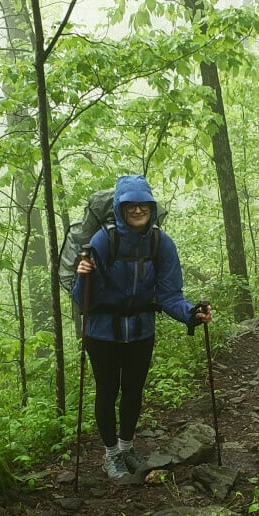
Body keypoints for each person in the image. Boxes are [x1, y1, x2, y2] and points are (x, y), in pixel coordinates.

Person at [72, 174, 212, 481]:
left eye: (143, 204)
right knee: (107, 392)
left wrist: (190, 313)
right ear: (121, 208)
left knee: (133, 391)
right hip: (102, 332)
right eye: (130, 205)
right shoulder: (103, 240)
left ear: (151, 207)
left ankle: (127, 447)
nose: (137, 210)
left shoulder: (161, 243)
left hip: (140, 330)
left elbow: (169, 294)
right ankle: (111, 456)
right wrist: (85, 275)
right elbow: (83, 300)